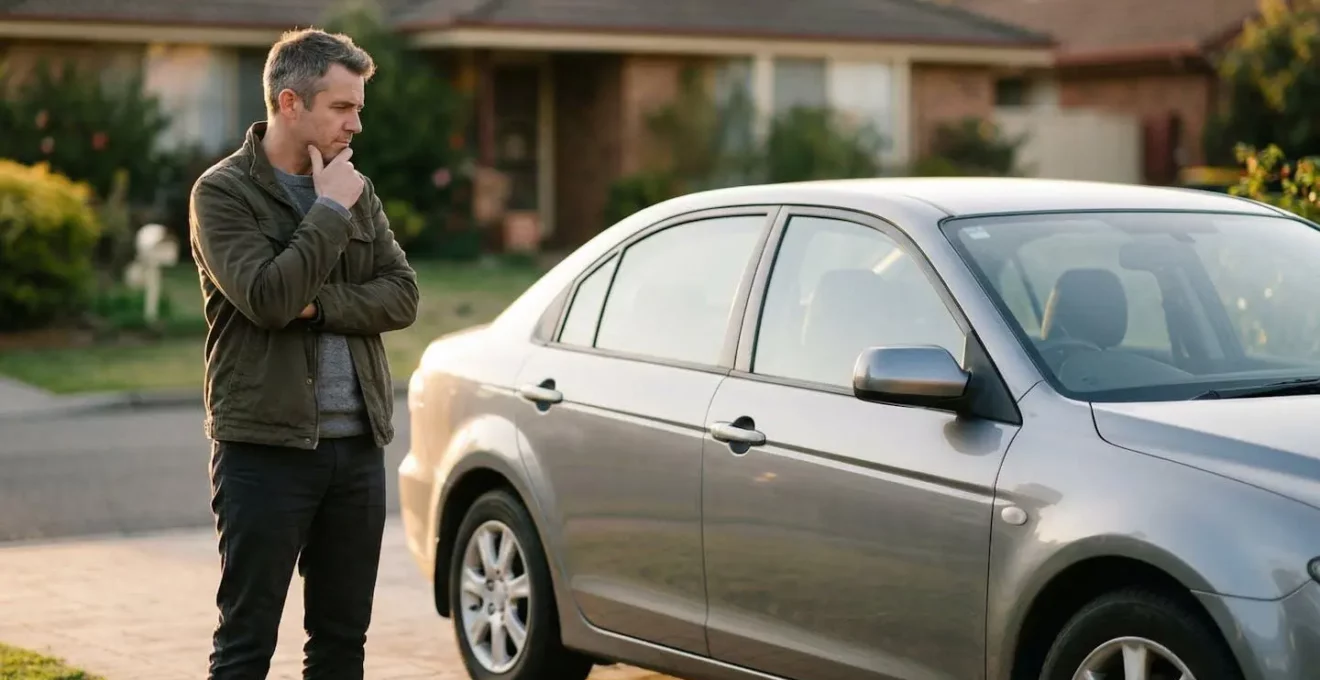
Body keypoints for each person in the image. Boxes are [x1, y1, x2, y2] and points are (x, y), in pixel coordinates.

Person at [188, 27, 418, 680]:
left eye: (358, 108)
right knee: (246, 644)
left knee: (342, 643)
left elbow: (402, 296)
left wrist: (317, 308)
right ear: (290, 103)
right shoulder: (223, 193)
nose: (356, 125)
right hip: (265, 449)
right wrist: (329, 211)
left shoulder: (355, 187)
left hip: (358, 448)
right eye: (342, 107)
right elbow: (267, 298)